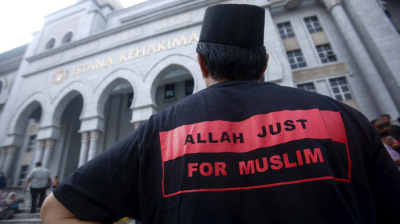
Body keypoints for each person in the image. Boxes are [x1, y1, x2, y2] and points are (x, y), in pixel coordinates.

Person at [41, 4, 400, 224]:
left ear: (201, 63)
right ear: (264, 62)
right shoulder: (341, 118)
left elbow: (55, 212)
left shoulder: (161, 132)